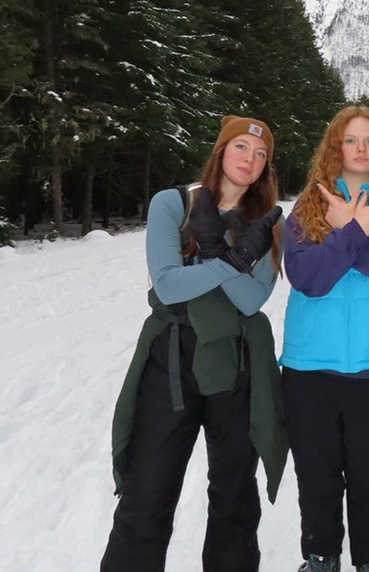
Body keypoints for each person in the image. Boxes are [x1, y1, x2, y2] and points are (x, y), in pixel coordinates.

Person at [102, 115, 288, 572]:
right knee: (148, 491)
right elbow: (168, 286)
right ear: (221, 151)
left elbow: (251, 300)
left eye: (261, 154)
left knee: (234, 496)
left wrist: (213, 256)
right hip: (171, 360)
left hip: (237, 363)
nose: (251, 159)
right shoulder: (172, 204)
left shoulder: (264, 221)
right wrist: (230, 257)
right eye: (242, 147)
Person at [280, 105, 369, 572]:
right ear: (335, 147)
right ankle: (320, 558)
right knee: (317, 476)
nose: (361, 149)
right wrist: (354, 232)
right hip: (309, 367)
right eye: (351, 140)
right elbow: (307, 277)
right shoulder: (309, 204)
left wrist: (353, 234)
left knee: (368, 476)